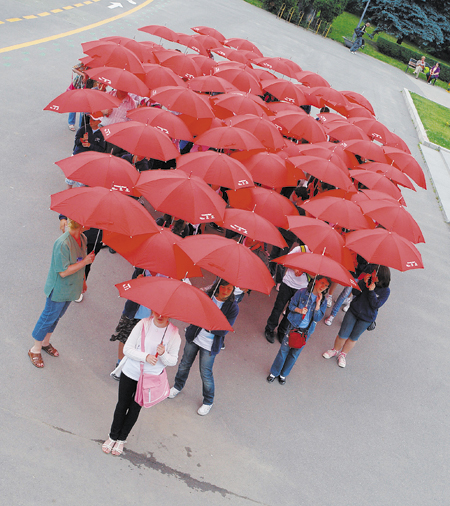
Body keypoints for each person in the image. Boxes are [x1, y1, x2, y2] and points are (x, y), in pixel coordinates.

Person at [102, 312, 181, 456]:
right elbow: (127, 349)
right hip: (131, 372)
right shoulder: (143, 324)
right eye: (157, 310)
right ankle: (113, 436)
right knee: (122, 404)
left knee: (135, 408)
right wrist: (146, 357)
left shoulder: (174, 333)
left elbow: (173, 361)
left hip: (150, 379)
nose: (160, 315)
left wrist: (162, 354)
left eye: (165, 312)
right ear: (152, 310)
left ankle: (122, 439)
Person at [28, 219, 95, 368]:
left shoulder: (83, 238)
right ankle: (35, 349)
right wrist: (85, 262)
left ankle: (45, 343)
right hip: (59, 288)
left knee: (57, 316)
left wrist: (83, 280)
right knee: (48, 317)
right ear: (80, 224)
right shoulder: (62, 243)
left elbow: (81, 262)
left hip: (72, 287)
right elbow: (63, 272)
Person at [168, 279, 239, 416]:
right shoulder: (208, 297)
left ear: (233, 290)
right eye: (223, 287)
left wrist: (207, 324)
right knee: (184, 364)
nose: (225, 291)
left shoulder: (232, 307)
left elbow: (223, 330)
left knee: (205, 373)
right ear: (218, 286)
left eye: (229, 289)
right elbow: (194, 315)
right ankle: (177, 386)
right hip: (194, 337)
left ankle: (208, 401)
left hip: (210, 345)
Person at [322, 265, 391, 368]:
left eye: (375, 274)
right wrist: (363, 282)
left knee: (353, 337)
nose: (372, 274)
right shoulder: (367, 280)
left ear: (380, 277)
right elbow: (354, 292)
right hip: (354, 311)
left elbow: (376, 305)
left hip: (367, 318)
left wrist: (371, 291)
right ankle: (334, 350)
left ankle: (342, 355)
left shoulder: (385, 291)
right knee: (343, 333)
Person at [267, 276, 330, 385]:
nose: (323, 287)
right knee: (284, 350)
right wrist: (300, 310)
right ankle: (274, 372)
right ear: (316, 281)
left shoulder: (323, 300)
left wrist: (318, 305)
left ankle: (283, 374)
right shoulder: (302, 292)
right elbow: (291, 306)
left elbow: (317, 318)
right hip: (294, 325)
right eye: (322, 283)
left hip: (306, 331)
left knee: (295, 353)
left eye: (326, 286)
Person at [265, 244, 310, 344]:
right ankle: (270, 329)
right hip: (288, 283)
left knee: (291, 311)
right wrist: (295, 269)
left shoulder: (318, 256)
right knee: (278, 308)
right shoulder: (300, 249)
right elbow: (285, 261)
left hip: (301, 289)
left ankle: (282, 331)